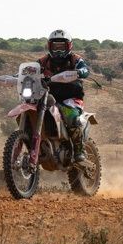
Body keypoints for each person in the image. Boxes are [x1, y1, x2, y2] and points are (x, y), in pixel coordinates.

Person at [38, 29, 91, 162]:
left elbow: (85, 69)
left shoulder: (75, 59)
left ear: (69, 46)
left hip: (71, 97)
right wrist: (17, 76)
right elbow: (29, 71)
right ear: (50, 46)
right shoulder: (43, 61)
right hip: (49, 97)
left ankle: (79, 150)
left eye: (61, 47)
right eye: (55, 47)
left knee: (72, 117)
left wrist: (80, 72)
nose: (58, 50)